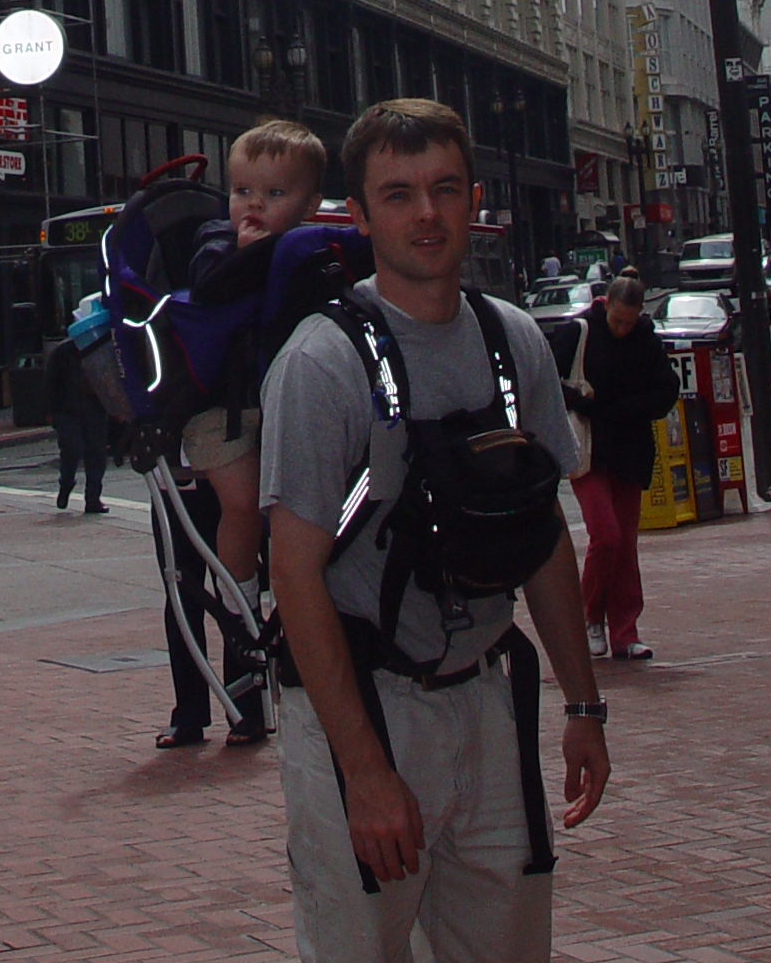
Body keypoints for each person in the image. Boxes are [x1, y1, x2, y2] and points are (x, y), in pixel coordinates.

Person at [263, 100, 609, 963]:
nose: (426, 214)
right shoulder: (321, 362)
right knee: (360, 946)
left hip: (488, 699)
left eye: (445, 190)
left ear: (475, 200)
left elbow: (545, 538)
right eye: (399, 194)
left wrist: (584, 703)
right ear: (360, 214)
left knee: (508, 942)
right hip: (366, 709)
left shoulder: (514, 339)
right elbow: (295, 574)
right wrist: (365, 770)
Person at [184, 119, 328, 626]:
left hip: (286, 401)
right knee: (242, 503)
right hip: (220, 406)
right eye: (242, 191)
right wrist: (249, 255)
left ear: (310, 206)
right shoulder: (217, 240)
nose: (254, 205)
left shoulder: (312, 251)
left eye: (274, 193)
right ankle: (239, 596)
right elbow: (209, 289)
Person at [545, 270, 679, 663]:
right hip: (589, 447)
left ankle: (625, 631)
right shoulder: (581, 332)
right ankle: (590, 618)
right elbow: (548, 381)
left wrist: (620, 409)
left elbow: (665, 391)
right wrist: (582, 401)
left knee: (625, 543)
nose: (621, 328)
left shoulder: (646, 342)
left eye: (629, 321)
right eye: (616, 320)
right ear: (606, 306)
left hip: (628, 449)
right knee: (606, 536)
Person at [149, 469, 266, 749]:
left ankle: (247, 707)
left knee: (234, 595)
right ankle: (189, 712)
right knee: (180, 600)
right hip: (170, 478)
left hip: (222, 480)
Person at [45, 310, 110, 513]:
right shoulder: (63, 354)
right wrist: (51, 411)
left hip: (94, 408)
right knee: (71, 450)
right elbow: (50, 383)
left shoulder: (100, 350)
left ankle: (93, 498)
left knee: (97, 453)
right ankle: (66, 485)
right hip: (68, 409)